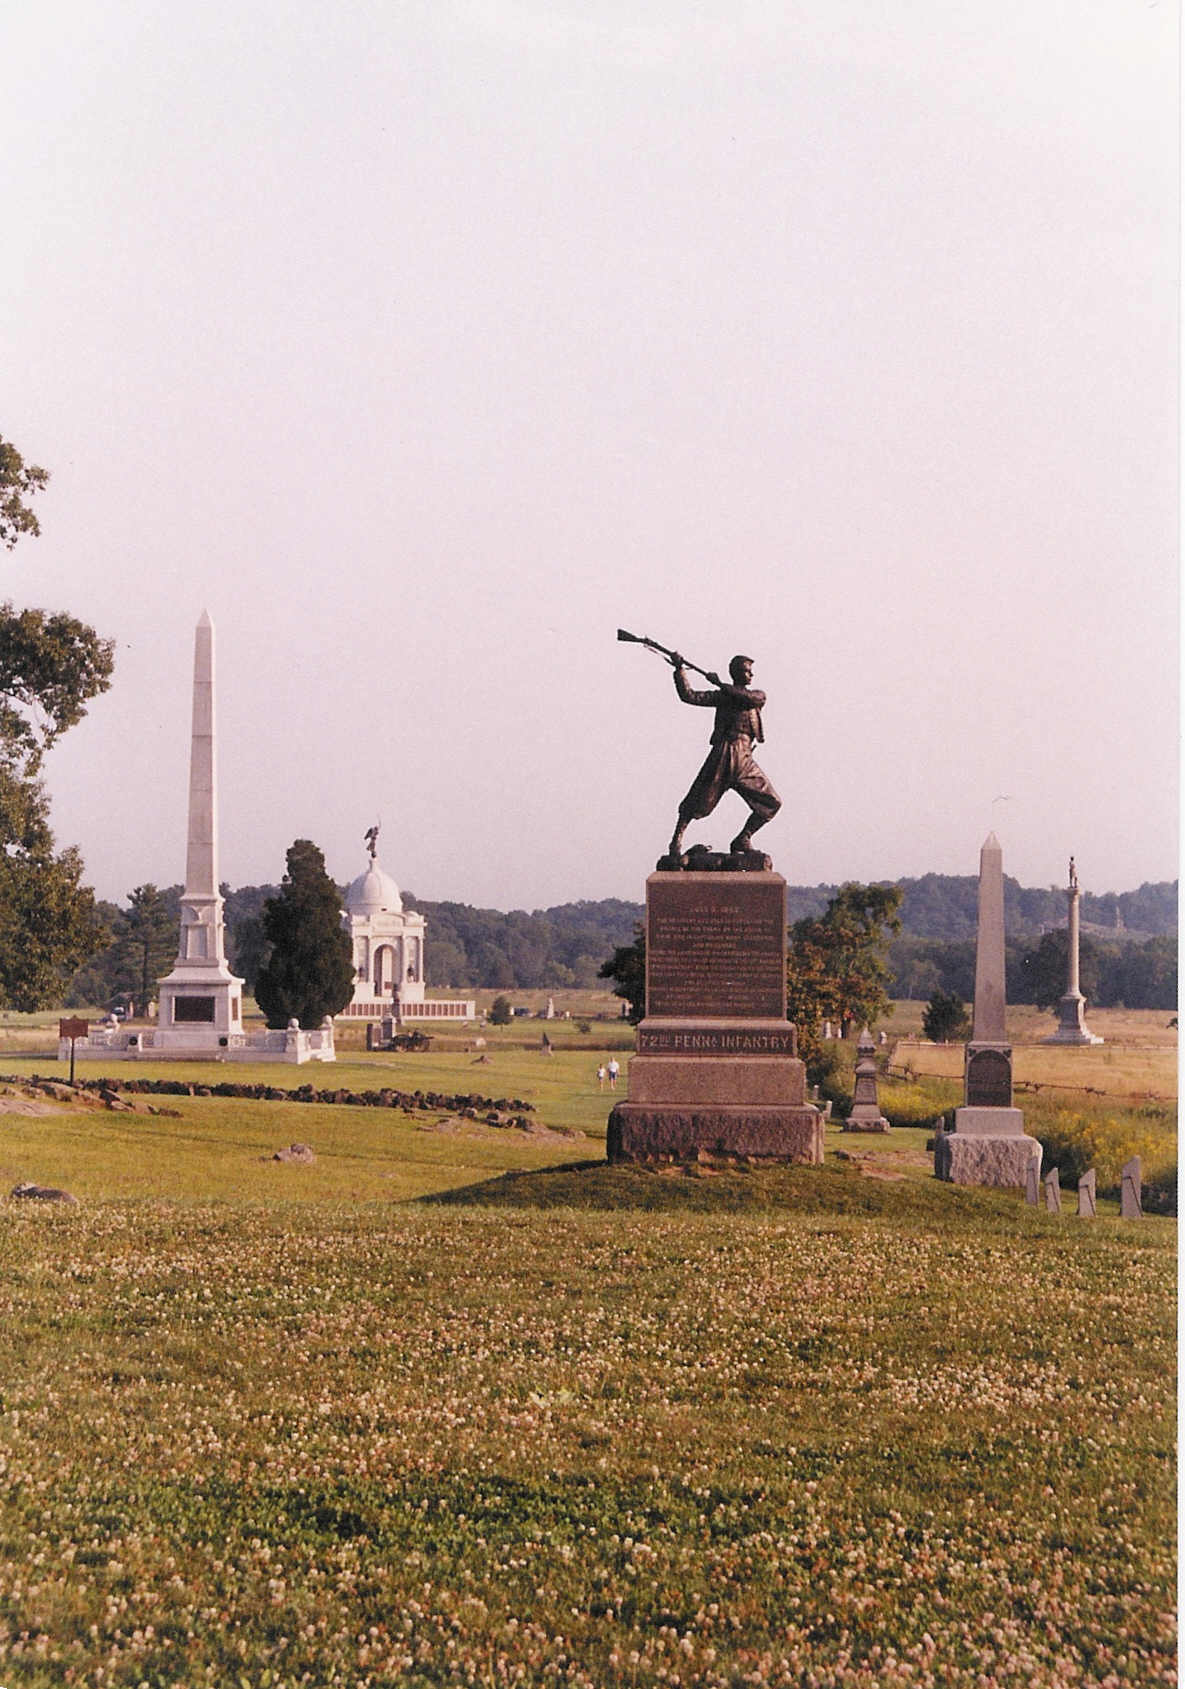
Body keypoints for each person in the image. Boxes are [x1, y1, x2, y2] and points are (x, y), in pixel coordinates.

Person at [667, 653, 781, 857]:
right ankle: (677, 840)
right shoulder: (723, 696)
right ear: (737, 672)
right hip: (725, 751)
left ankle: (743, 838)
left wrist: (720, 683)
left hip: (745, 758)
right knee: (698, 798)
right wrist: (679, 670)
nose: (751, 674)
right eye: (747, 670)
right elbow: (689, 696)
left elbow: (747, 699)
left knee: (771, 802)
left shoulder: (756, 696)